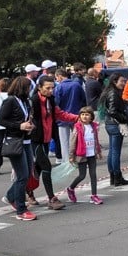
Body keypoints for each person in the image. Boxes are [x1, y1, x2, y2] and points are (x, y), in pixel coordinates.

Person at [29, 76, 78, 210]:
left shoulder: (50, 100)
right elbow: (28, 119)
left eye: (52, 87)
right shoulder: (34, 101)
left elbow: (60, 114)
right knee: (46, 166)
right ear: (39, 88)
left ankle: (28, 193)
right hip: (35, 139)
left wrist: (77, 118)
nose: (51, 90)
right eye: (48, 88)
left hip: (46, 138)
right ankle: (51, 198)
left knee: (38, 168)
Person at [0, 76, 37, 221]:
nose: (30, 90)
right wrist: (19, 126)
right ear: (22, 88)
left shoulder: (26, 101)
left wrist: (30, 126)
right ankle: (21, 209)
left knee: (27, 174)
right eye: (28, 87)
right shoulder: (10, 101)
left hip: (26, 140)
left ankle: (10, 196)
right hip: (15, 140)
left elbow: (27, 118)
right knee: (22, 176)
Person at [66, 106, 104, 205]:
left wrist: (98, 152)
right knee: (82, 175)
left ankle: (94, 195)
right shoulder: (78, 127)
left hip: (91, 154)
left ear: (91, 117)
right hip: (81, 154)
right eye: (82, 114)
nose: (84, 116)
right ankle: (71, 188)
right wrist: (71, 155)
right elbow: (73, 142)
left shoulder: (93, 126)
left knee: (93, 175)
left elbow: (96, 140)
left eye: (87, 115)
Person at [101, 72, 128, 186]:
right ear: (115, 81)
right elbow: (113, 111)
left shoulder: (111, 92)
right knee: (115, 152)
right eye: (122, 81)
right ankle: (117, 177)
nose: (124, 83)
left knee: (112, 151)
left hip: (110, 124)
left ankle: (113, 177)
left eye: (124, 81)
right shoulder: (113, 93)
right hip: (115, 124)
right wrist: (125, 119)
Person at [54, 64, 87, 165]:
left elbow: (56, 103)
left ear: (59, 76)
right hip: (76, 116)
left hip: (62, 118)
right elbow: (83, 100)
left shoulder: (59, 87)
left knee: (64, 142)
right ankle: (79, 159)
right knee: (78, 139)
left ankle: (66, 161)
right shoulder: (77, 85)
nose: (57, 80)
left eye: (57, 78)